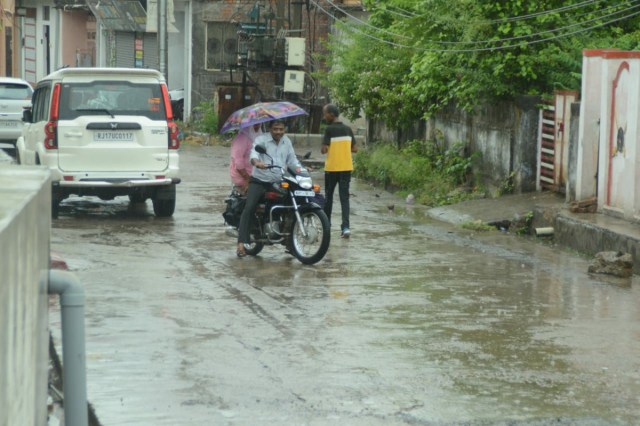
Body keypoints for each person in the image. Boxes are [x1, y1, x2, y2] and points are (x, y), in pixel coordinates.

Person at [236, 120, 302, 257]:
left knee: (292, 205)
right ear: (270, 129)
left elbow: (292, 160)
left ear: (285, 129)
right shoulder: (261, 140)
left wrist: (301, 169)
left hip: (278, 181)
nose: (278, 132)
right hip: (260, 180)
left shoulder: (287, 142)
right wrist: (257, 162)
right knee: (249, 207)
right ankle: (241, 243)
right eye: (275, 129)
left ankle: (290, 243)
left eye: (281, 129)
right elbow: (253, 154)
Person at [321, 103, 357, 238]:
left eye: (325, 114)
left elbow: (323, 150)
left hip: (332, 168)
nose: (324, 117)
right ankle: (346, 227)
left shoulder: (329, 129)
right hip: (346, 168)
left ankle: (327, 225)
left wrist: (329, 148)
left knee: (328, 197)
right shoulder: (348, 129)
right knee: (344, 198)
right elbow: (355, 149)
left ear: (331, 114)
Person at [229, 123, 262, 193]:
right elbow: (238, 161)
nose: (257, 126)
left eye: (259, 124)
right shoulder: (241, 138)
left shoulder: (259, 137)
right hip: (243, 178)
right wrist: (247, 179)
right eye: (255, 124)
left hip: (256, 176)